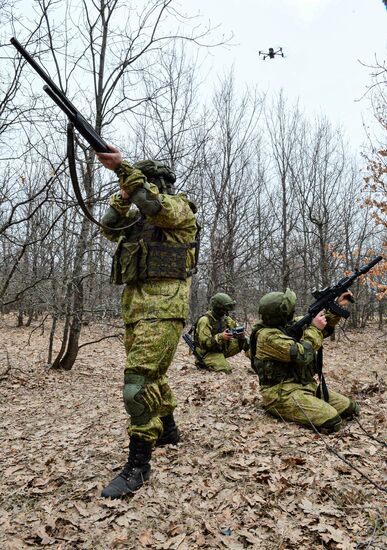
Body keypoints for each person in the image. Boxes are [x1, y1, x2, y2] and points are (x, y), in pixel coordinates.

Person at [96, 146, 199, 499]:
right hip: (135, 309)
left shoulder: (178, 209)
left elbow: (155, 206)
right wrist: (122, 196)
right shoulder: (136, 219)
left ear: (158, 185)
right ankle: (167, 430)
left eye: (144, 185)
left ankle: (138, 465)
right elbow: (108, 227)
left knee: (137, 383)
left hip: (165, 306)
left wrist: (123, 168)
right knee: (152, 375)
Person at [250, 288, 359, 433]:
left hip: (305, 385)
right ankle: (276, 409)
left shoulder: (287, 325)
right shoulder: (267, 337)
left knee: (351, 409)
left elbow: (321, 323)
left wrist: (337, 305)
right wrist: (315, 329)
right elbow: (304, 355)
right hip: (280, 394)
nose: (293, 310)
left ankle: (308, 403)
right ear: (282, 313)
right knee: (332, 421)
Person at [193, 293, 249, 373]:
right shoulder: (205, 320)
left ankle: (258, 365)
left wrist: (240, 336)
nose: (225, 312)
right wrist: (221, 337)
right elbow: (205, 343)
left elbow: (235, 329)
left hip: (221, 348)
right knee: (226, 370)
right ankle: (203, 363)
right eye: (224, 309)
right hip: (207, 352)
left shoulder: (226, 319)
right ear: (217, 308)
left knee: (247, 341)